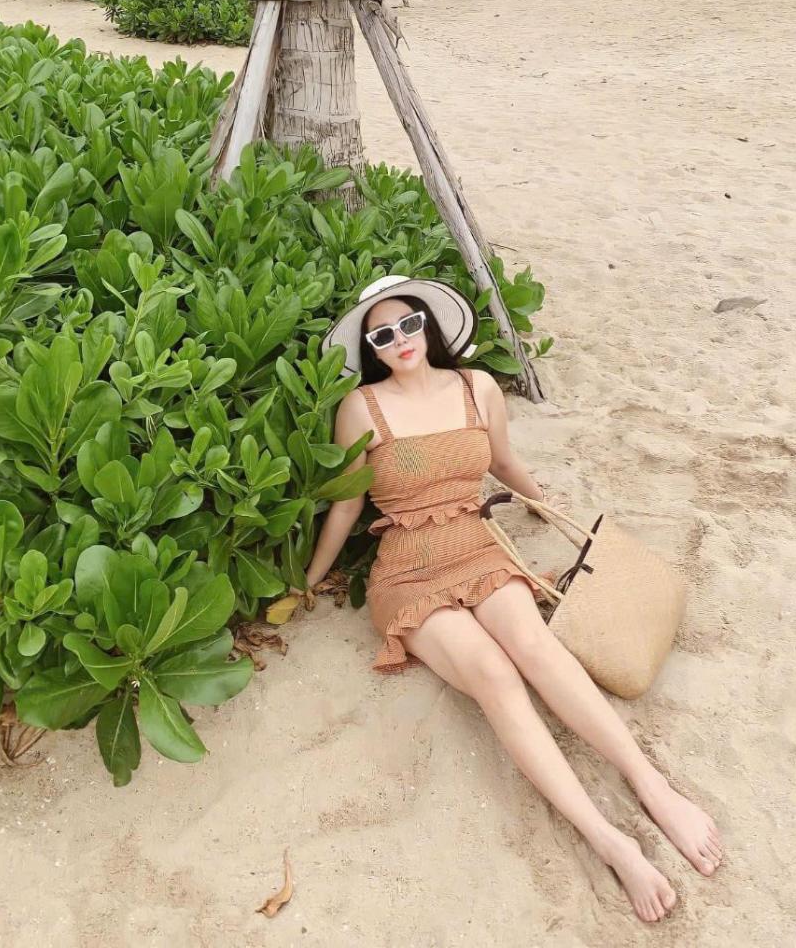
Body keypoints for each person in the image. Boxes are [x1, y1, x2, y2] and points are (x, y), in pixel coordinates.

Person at [302, 274, 724, 924]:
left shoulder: (478, 387)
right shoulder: (361, 407)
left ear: (427, 324)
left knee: (535, 646)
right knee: (495, 675)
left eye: (408, 324)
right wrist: (309, 580)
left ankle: (652, 786)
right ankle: (607, 840)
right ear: (371, 347)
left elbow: (502, 463)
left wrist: (549, 509)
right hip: (408, 570)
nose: (400, 340)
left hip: (477, 543)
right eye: (382, 335)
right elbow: (346, 505)